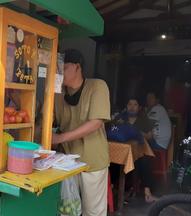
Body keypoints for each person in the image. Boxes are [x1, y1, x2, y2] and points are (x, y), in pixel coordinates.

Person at [52, 49, 110, 216]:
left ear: (77, 67)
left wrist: (60, 137)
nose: (59, 72)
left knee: (93, 212)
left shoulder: (98, 86)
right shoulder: (58, 94)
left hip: (92, 161)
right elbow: (47, 119)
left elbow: (96, 123)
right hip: (66, 162)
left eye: (63, 68)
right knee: (67, 210)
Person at [115, 98, 156, 202]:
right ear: (126, 106)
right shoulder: (121, 118)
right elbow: (113, 131)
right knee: (113, 162)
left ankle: (147, 192)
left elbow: (150, 136)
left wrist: (136, 132)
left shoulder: (143, 119)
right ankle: (117, 190)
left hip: (138, 151)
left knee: (145, 161)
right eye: (129, 104)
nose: (132, 107)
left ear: (139, 107)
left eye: (135, 105)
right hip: (122, 151)